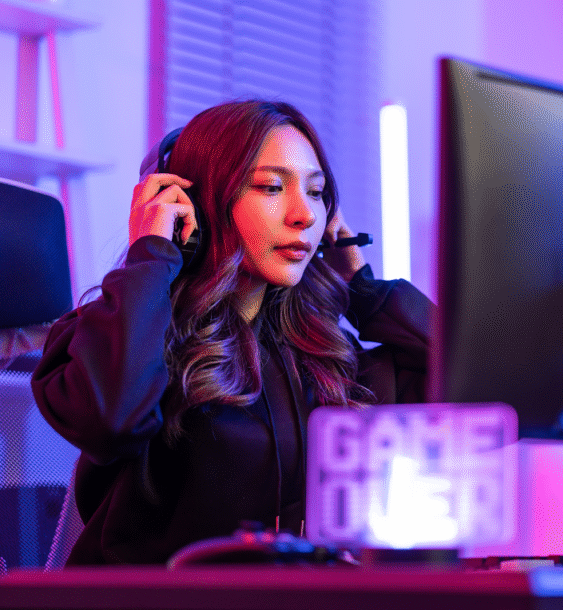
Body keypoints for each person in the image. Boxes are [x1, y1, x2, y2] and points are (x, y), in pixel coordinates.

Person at [31, 100, 432, 565]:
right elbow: (110, 420)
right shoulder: (125, 331)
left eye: (317, 192)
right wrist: (152, 253)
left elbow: (476, 387)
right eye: (272, 187)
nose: (304, 214)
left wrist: (362, 288)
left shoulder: (324, 354)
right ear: (200, 205)